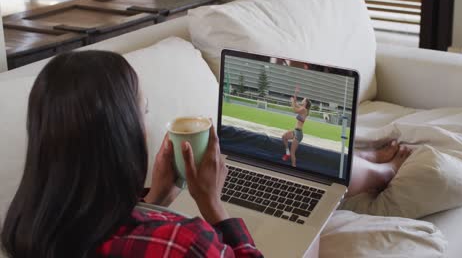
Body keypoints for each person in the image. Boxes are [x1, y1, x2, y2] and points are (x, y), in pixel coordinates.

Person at [0, 51, 263, 258]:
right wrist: (212, 204)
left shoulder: (24, 230)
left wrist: (154, 199)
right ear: (123, 134)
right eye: (143, 112)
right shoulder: (184, 243)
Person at [282, 86, 312, 167]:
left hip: (298, 133)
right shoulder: (302, 108)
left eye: (303, 99)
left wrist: (292, 101)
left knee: (293, 153)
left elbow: (294, 110)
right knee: (284, 137)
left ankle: (293, 167)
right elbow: (295, 103)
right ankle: (287, 153)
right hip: (295, 131)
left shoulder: (304, 110)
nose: (302, 99)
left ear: (305, 103)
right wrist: (296, 93)